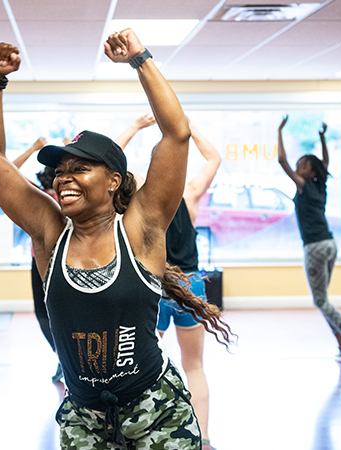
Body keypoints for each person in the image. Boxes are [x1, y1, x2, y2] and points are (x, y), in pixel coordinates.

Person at [0, 30, 233, 449]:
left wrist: (140, 60)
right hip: (83, 416)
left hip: (157, 411)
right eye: (59, 171)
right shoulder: (49, 232)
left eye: (79, 169)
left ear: (113, 181)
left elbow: (175, 136)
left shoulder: (140, 229)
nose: (63, 179)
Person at [114, 114, 221, 450]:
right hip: (192, 286)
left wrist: (135, 126)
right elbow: (214, 157)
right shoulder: (189, 196)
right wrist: (188, 129)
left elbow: (109, 159)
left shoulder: (142, 205)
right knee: (195, 366)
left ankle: (144, 431)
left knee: (142, 367)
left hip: (153, 289)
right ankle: (202, 438)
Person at [277, 116, 341, 365]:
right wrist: (321, 138)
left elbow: (281, 161)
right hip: (330, 244)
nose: (297, 168)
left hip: (316, 247)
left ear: (310, 172)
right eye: (298, 165)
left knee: (320, 300)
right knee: (324, 299)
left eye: (302, 165)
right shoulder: (321, 185)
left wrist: (279, 131)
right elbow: (325, 162)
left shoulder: (303, 185)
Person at [10, 136, 64, 382]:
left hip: (68, 260)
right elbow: (8, 171)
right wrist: (33, 148)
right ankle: (63, 358)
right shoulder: (39, 194)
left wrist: (35, 148)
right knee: (43, 313)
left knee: (58, 313)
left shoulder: (73, 194)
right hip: (40, 261)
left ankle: (68, 358)